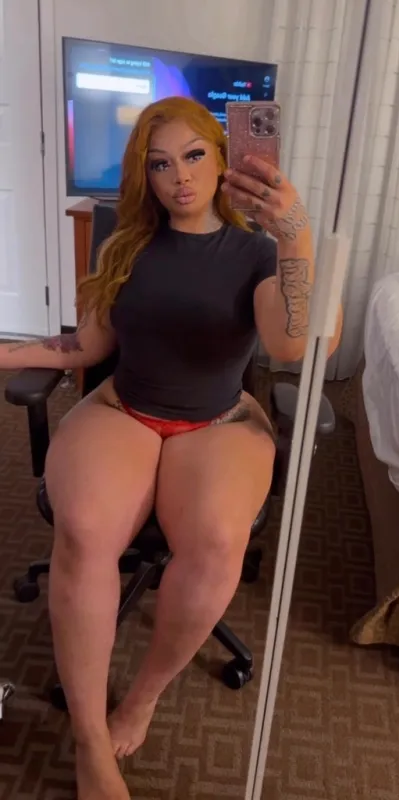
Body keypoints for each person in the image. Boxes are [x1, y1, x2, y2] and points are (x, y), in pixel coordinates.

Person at [1, 96, 342, 800]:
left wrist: (296, 235)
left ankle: (144, 696)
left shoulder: (257, 253)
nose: (179, 176)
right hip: (125, 408)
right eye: (160, 164)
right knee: (84, 528)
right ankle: (90, 739)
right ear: (144, 175)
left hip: (217, 420)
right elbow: (88, 345)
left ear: (223, 158)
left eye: (193, 156)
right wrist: (6, 352)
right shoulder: (122, 244)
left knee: (215, 542)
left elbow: (292, 342)